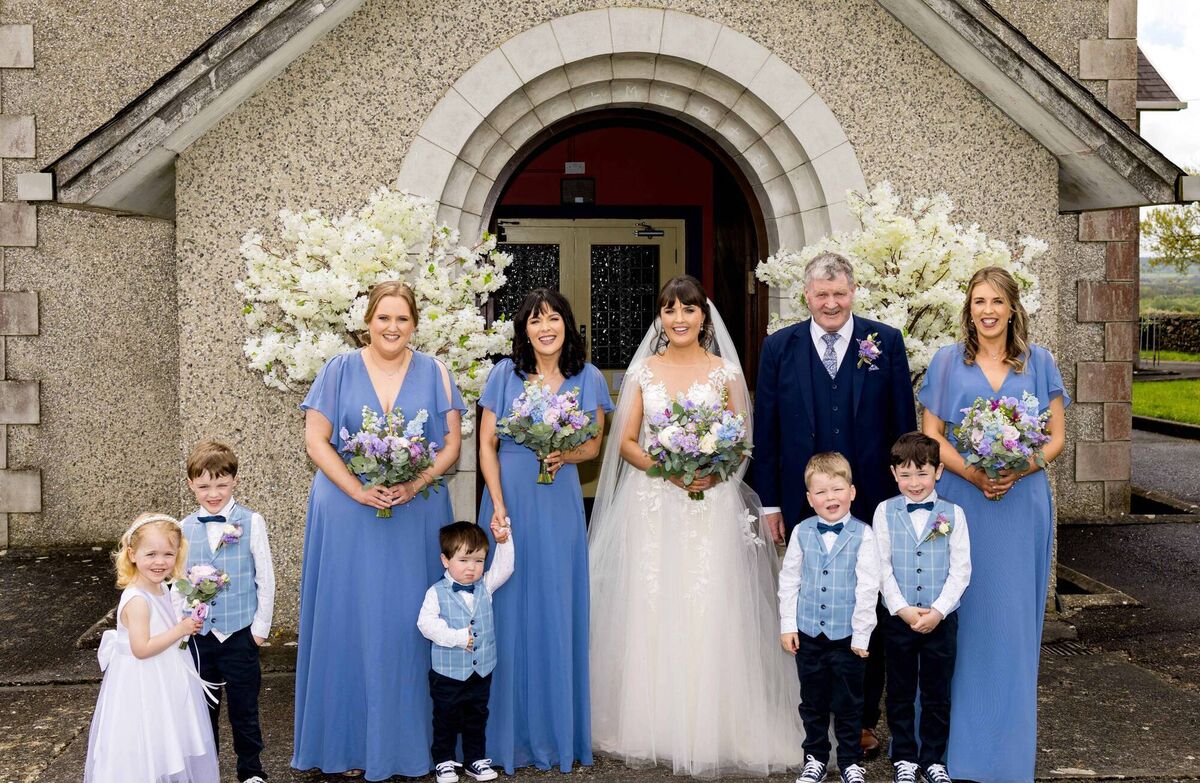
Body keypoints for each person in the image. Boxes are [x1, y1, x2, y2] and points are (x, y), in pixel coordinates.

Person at [589, 274, 804, 778]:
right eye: (670, 309)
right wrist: (667, 470)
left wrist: (714, 472)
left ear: (703, 317)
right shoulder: (644, 372)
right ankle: (653, 722)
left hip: (710, 503)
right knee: (653, 601)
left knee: (709, 604)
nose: (679, 318)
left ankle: (715, 722)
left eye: (688, 309)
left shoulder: (724, 372)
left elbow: (742, 441)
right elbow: (626, 441)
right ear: (660, 318)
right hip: (653, 502)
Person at [293, 281, 466, 780]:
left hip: (415, 512)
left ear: (415, 324)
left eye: (402, 319)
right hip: (348, 512)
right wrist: (356, 489)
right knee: (349, 619)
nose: (392, 327)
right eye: (383, 317)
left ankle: (412, 745)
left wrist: (416, 483)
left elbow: (451, 444)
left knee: (411, 621)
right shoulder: (338, 370)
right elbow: (316, 440)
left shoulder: (436, 372)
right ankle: (345, 744)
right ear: (367, 320)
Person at [755, 251, 916, 757]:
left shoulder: (884, 342)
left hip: (870, 502)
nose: (831, 303)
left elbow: (903, 428)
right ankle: (813, 719)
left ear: (853, 293)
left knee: (866, 605)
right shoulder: (779, 347)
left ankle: (862, 719)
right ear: (806, 295)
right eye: (822, 294)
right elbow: (767, 429)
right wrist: (771, 504)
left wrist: (903, 499)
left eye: (839, 294)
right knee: (810, 605)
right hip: (804, 504)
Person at [919, 266, 1068, 782]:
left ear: (1012, 308)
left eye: (997, 301)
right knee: (956, 619)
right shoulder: (946, 361)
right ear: (969, 309)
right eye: (979, 301)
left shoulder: (1040, 362)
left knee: (1012, 625)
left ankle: (1005, 756)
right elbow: (932, 435)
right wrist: (975, 473)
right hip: (963, 501)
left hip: (1022, 503)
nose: (988, 311)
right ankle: (945, 752)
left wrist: (1018, 468)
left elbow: (1055, 438)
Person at [476, 288, 612, 773]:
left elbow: (593, 445)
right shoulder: (503, 375)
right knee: (505, 611)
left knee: (556, 607)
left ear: (566, 325)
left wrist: (564, 454)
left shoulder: (588, 377)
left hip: (558, 502)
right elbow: (487, 444)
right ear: (524, 331)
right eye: (535, 320)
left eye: (553, 318)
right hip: (508, 499)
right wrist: (497, 504)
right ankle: (499, 738)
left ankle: (556, 735)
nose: (545, 327)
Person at [85, 513, 218, 783]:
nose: (160, 562)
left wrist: (182, 625)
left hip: (163, 676)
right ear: (132, 554)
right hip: (142, 683)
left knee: (166, 739)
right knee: (144, 741)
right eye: (151, 554)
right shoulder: (137, 600)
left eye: (168, 554)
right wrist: (179, 630)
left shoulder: (161, 589)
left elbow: (161, 629)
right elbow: (142, 648)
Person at [872, 433, 971, 783]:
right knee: (899, 691)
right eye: (905, 474)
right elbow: (880, 567)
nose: (914, 483)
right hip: (899, 619)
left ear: (938, 472)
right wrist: (901, 609)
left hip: (941, 620)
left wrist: (939, 611)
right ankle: (904, 757)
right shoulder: (884, 511)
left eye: (922, 473)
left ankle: (933, 759)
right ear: (894, 474)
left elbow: (961, 570)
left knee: (936, 693)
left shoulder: (954, 514)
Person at [778, 453, 880, 783]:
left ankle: (850, 761)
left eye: (837, 489)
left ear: (852, 491)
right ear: (810, 499)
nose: (830, 497)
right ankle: (815, 758)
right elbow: (789, 580)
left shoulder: (864, 535)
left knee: (849, 703)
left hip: (848, 638)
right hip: (808, 635)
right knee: (813, 702)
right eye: (821, 492)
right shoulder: (801, 531)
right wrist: (788, 625)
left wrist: (862, 635)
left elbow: (868, 588)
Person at [179, 440, 276, 783]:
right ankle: (206, 773)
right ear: (191, 485)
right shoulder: (183, 527)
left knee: (244, 709)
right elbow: (178, 582)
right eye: (204, 486)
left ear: (234, 480)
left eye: (221, 484)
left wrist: (259, 629)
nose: (213, 493)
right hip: (200, 636)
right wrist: (183, 623)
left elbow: (265, 577)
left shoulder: (252, 521)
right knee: (202, 711)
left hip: (239, 634)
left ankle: (251, 770)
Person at [418, 520, 515, 783]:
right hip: (447, 674)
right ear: (445, 560)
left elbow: (506, 568)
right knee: (445, 718)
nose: (472, 568)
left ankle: (474, 760)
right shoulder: (436, 592)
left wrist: (504, 539)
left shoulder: (486, 586)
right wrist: (459, 638)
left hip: (481, 670)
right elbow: (426, 624)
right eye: (464, 560)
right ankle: (444, 761)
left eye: (479, 561)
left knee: (477, 717)